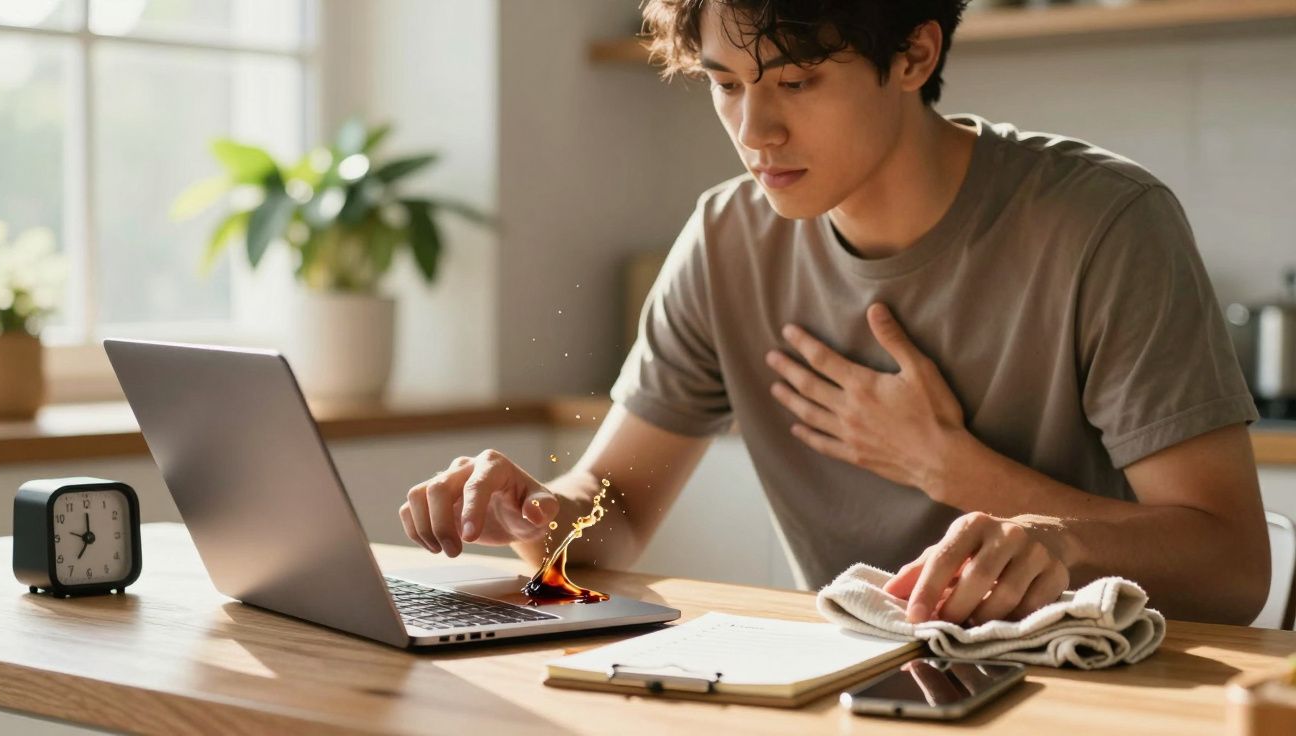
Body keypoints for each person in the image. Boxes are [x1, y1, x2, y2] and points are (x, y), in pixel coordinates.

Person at [400, 0, 1270, 625]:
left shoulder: (1104, 224)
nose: (755, 130)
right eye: (726, 83)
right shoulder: (725, 238)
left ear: (914, 56)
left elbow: (1232, 567)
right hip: (852, 690)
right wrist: (531, 513)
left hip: (1103, 698)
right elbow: (612, 515)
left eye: (798, 81)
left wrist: (954, 471)